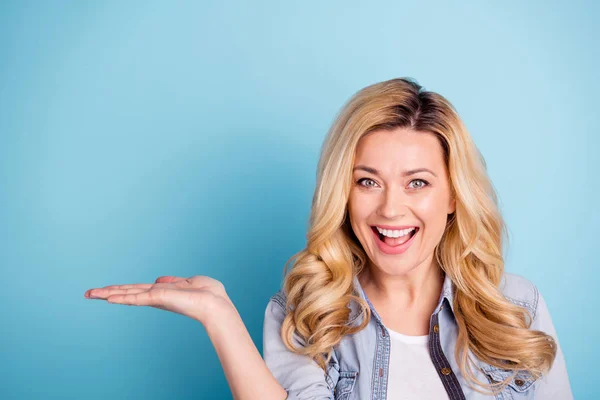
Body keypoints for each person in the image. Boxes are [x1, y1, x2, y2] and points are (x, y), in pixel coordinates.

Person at [84, 78, 573, 400]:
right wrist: (220, 316)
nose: (390, 208)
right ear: (343, 193)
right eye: (367, 181)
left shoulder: (516, 305)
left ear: (453, 197)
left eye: (417, 182)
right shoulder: (307, 315)